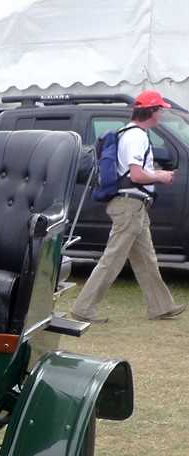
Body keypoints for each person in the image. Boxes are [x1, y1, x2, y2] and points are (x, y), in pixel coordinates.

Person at [69, 90, 186, 323]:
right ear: (151, 112)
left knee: (146, 258)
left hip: (132, 205)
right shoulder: (138, 137)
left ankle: (161, 306)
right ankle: (83, 309)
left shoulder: (126, 133)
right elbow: (136, 174)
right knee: (112, 259)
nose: (161, 114)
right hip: (129, 205)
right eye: (159, 110)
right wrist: (161, 176)